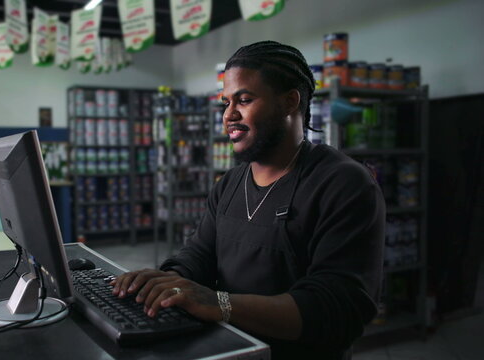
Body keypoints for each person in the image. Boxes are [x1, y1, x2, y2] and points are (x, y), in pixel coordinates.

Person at [111, 41, 385, 359]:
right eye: (226, 103)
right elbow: (199, 254)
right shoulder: (230, 183)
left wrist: (219, 303)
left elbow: (335, 309)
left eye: (244, 99)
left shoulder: (343, 184)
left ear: (289, 102)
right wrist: (167, 281)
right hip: (233, 351)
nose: (229, 115)